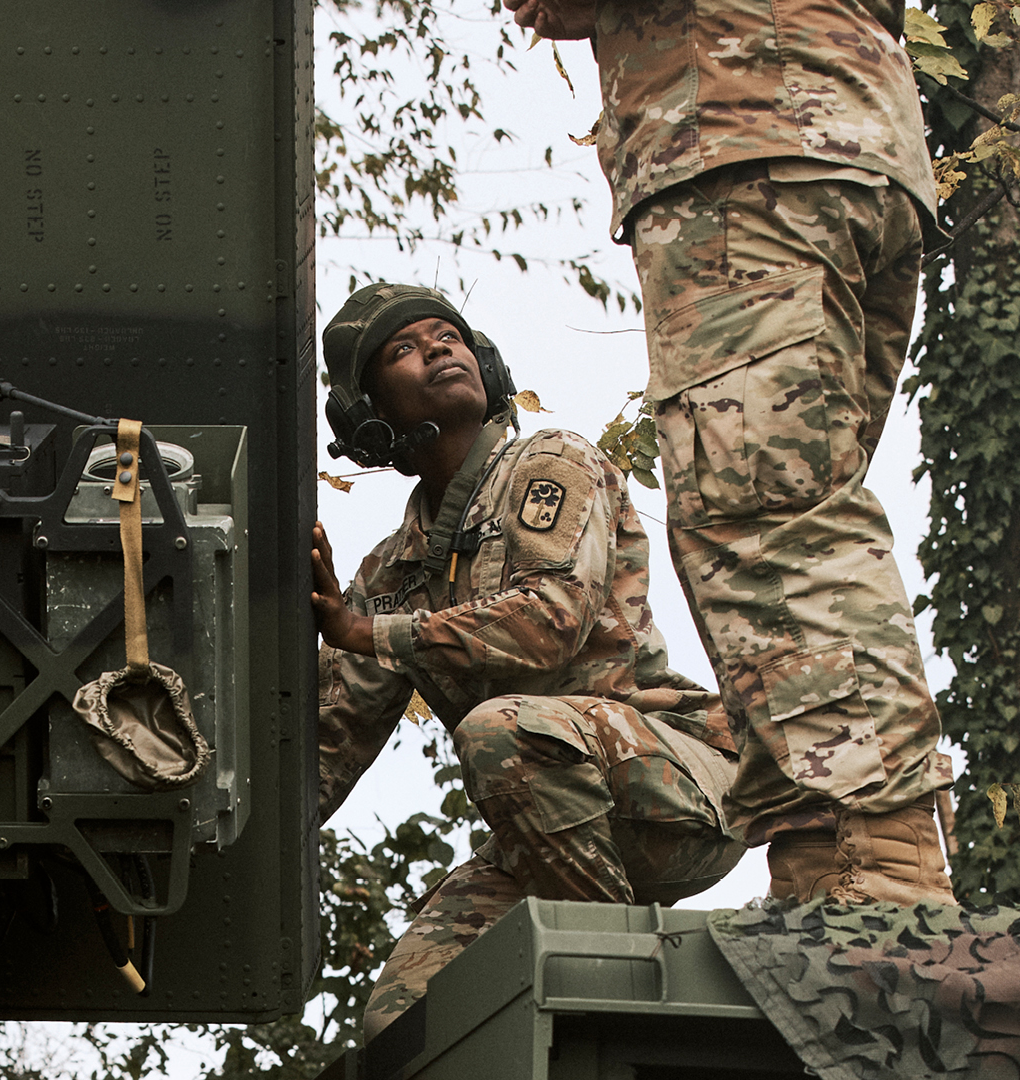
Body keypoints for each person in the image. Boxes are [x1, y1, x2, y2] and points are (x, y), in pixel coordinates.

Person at [500, 0, 957, 904]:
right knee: (786, 517)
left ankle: (882, 858)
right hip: (831, 130)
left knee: (761, 522)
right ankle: (829, 850)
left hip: (747, 143)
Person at [313, 283, 745, 1038]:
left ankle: (616, 1013)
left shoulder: (550, 462)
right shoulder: (392, 572)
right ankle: (594, 970)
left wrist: (372, 632)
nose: (440, 349)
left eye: (448, 336)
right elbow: (324, 749)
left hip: (673, 783)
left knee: (497, 731)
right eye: (404, 350)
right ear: (369, 418)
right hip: (547, 827)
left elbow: (552, 622)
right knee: (401, 1022)